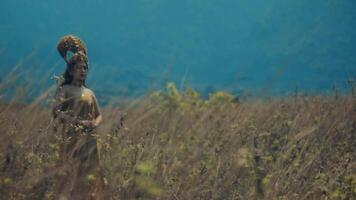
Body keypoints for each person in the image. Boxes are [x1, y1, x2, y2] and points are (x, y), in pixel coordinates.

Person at [52, 35, 104, 200]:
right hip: (72, 137)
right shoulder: (65, 89)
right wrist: (76, 121)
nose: (83, 71)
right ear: (71, 70)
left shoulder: (90, 92)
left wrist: (94, 123)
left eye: (85, 68)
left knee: (90, 171)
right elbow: (56, 111)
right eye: (79, 68)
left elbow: (99, 114)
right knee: (71, 171)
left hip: (90, 138)